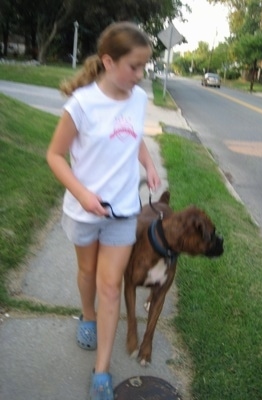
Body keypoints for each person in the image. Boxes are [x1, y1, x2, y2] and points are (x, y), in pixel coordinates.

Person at [47, 21, 160, 400]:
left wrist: (148, 163)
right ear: (109, 62)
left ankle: (101, 370)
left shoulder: (138, 99)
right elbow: (55, 154)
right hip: (84, 213)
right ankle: (88, 315)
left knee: (110, 286)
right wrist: (81, 194)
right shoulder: (81, 104)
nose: (140, 75)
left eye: (145, 67)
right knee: (88, 273)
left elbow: (131, 136)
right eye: (135, 66)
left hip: (124, 210)